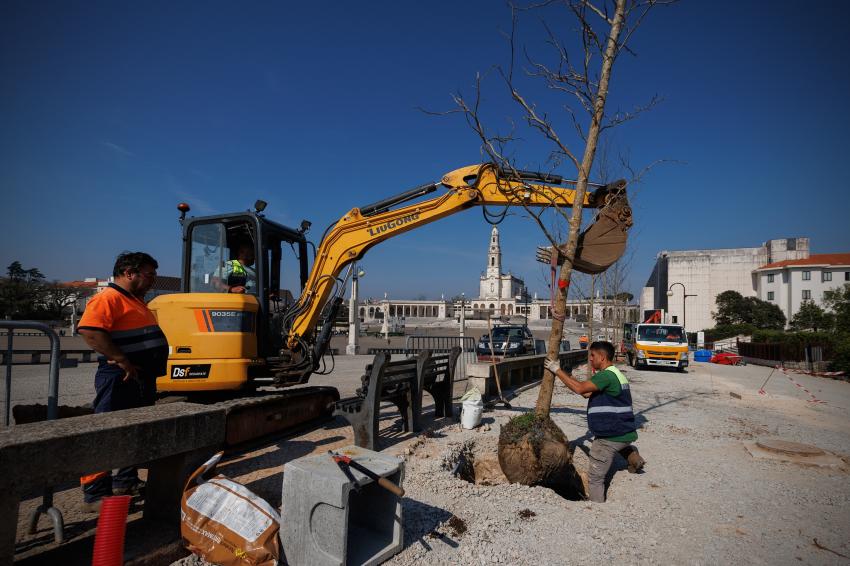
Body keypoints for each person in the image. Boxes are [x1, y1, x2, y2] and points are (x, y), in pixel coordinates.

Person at [77, 252, 168, 512]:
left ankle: (125, 481)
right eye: (149, 274)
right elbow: (90, 330)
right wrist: (121, 359)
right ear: (129, 273)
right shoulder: (109, 298)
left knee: (134, 430)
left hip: (139, 378)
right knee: (105, 431)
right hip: (120, 376)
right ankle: (95, 493)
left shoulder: (134, 300)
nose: (153, 280)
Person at [545, 341, 645, 503]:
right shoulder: (616, 374)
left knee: (595, 477)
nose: (590, 359)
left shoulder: (606, 376)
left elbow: (580, 389)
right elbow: (586, 394)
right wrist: (567, 376)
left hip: (611, 436)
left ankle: (596, 508)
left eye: (593, 355)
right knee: (619, 444)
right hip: (625, 431)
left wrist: (557, 370)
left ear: (603, 357)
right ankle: (634, 459)